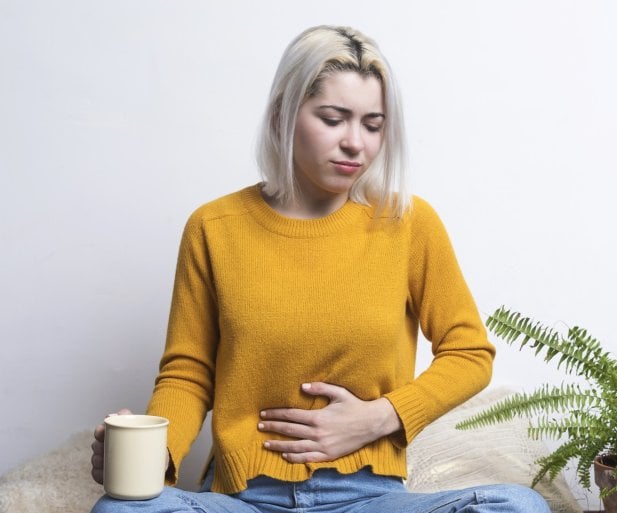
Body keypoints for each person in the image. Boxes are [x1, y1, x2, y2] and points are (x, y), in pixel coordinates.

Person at [90, 25, 551, 513]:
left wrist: (381, 417)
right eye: (334, 119)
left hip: (369, 498)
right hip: (245, 499)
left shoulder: (408, 224)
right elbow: (188, 373)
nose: (356, 143)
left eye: (373, 125)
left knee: (517, 506)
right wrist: (148, 459)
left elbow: (470, 352)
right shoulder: (214, 227)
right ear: (283, 115)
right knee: (119, 510)